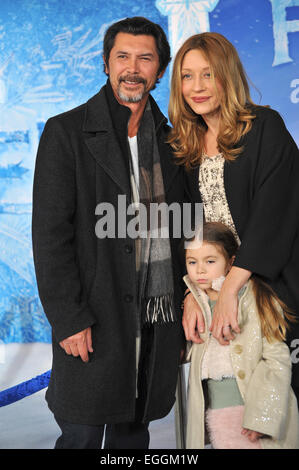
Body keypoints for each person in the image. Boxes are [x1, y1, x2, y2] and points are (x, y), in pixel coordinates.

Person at [32, 17, 184, 449]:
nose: (132, 68)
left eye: (145, 58)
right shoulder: (66, 133)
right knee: (80, 435)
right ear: (105, 63)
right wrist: (69, 318)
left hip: (154, 321)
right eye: (122, 56)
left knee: (133, 439)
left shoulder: (174, 144)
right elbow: (49, 237)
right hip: (93, 321)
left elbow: (182, 232)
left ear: (159, 69)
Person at [168, 32, 299, 402]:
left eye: (208, 74)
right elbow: (190, 229)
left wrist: (230, 288)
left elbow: (274, 216)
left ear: (227, 75)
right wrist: (194, 294)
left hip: (272, 292)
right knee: (228, 416)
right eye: (187, 76)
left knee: (278, 410)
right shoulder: (186, 146)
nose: (197, 87)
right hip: (217, 295)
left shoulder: (264, 127)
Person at [183, 221, 299, 449]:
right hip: (218, 417)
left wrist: (262, 416)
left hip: (253, 417)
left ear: (231, 262)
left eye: (210, 261)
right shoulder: (195, 304)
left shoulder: (255, 298)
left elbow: (278, 359)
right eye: (192, 262)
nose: (200, 270)